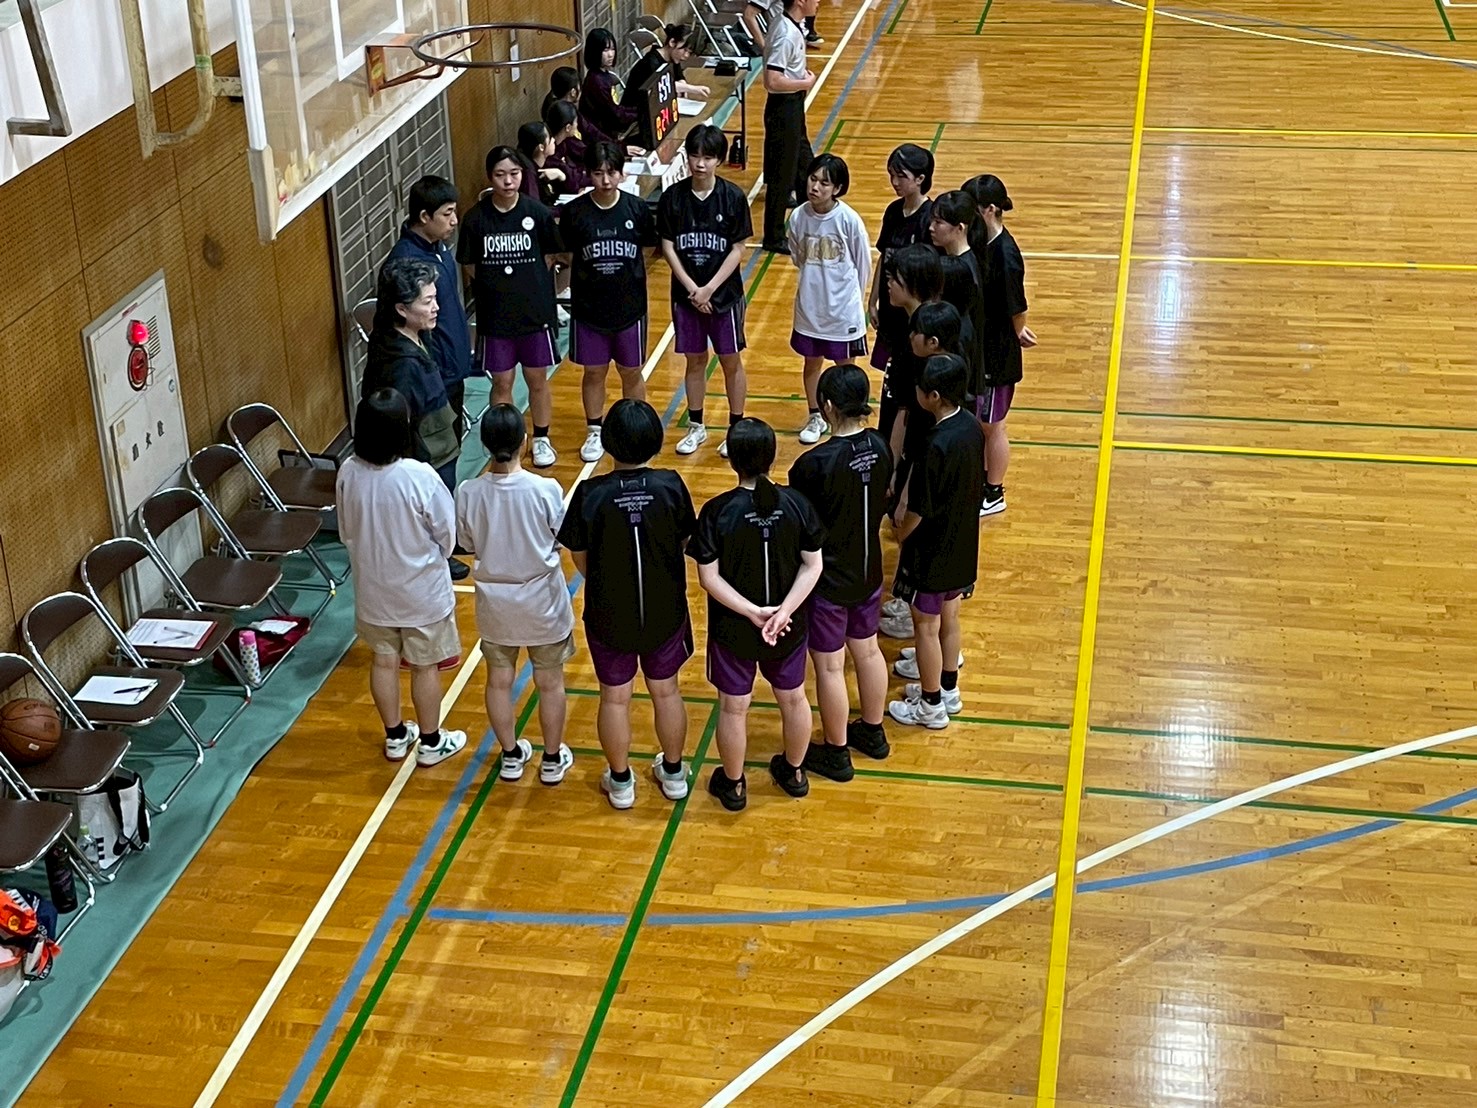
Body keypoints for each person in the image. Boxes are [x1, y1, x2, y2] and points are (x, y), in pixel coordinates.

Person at [557, 400, 697, 809]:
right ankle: (674, 774)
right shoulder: (671, 485)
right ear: (655, 440)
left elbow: (579, 556)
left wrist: (606, 580)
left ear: (608, 442)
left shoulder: (591, 494)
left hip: (608, 613)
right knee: (666, 692)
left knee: (614, 697)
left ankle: (620, 783)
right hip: (665, 611)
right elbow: (685, 542)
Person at [688, 418, 824, 811]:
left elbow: (708, 578)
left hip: (734, 630)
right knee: (794, 699)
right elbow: (813, 565)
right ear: (772, 457)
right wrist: (784, 612)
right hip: (788, 627)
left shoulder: (717, 511)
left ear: (732, 460)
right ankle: (794, 773)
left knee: (734, 707)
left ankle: (733, 786)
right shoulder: (797, 504)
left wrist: (753, 613)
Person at [336, 388, 468, 767]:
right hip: (420, 593)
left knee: (383, 660)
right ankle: (431, 742)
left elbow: (346, 530)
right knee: (425, 666)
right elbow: (448, 535)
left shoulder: (348, 471)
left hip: (373, 590)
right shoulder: (419, 476)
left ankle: (395, 736)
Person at [455, 405, 577, 784]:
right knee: (550, 682)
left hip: (495, 606)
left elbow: (466, 543)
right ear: (525, 442)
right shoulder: (546, 489)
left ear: (485, 445)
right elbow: (561, 537)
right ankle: (552, 759)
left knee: (498, 680)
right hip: (543, 603)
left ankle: (510, 756)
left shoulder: (468, 492)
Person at [787, 364, 893, 779]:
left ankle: (836, 751)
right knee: (867, 650)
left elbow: (800, 527)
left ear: (828, 406)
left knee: (830, 666)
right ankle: (874, 732)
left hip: (828, 582)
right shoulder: (881, 445)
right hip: (869, 571)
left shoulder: (813, 464)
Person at [887, 355, 984, 730]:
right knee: (950, 619)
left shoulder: (934, 444)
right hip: (962, 545)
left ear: (934, 396)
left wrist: (901, 533)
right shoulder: (971, 426)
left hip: (931, 552)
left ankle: (930, 706)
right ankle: (948, 689)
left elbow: (919, 510)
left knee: (925, 627)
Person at [457, 146, 565, 468]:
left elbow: (552, 256)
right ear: (490, 177)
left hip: (534, 316)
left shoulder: (538, 214)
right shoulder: (476, 219)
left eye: (514, 174)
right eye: (500, 175)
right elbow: (470, 265)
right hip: (496, 318)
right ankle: (502, 442)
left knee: (537, 380)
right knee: (502, 383)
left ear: (522, 175)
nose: (508, 181)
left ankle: (541, 438)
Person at [658, 125, 752, 459]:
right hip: (687, 297)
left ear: (719, 160)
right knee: (695, 360)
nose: (700, 163)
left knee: (730, 361)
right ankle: (696, 426)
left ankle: (735, 428)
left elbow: (738, 248)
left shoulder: (733, 197)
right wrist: (693, 290)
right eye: (695, 156)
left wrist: (710, 289)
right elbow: (667, 246)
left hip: (724, 297)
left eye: (708, 157)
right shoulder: (672, 198)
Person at [561, 143, 657, 463]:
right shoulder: (575, 213)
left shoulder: (636, 209)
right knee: (594, 372)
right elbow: (567, 255)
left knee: (631, 371)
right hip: (589, 309)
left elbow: (647, 249)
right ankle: (594, 429)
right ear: (588, 174)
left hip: (630, 308)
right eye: (598, 173)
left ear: (621, 173)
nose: (605, 180)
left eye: (611, 172)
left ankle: (637, 426)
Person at [962, 174, 1036, 517]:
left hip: (997, 356)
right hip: (978, 350)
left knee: (993, 426)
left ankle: (994, 492)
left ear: (990, 209)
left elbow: (1017, 308)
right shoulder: (980, 242)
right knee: (980, 423)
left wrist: (1018, 331)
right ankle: (980, 480)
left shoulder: (1006, 255)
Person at [787, 153, 871, 446]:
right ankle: (816, 415)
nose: (815, 187)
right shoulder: (798, 217)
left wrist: (853, 301)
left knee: (845, 369)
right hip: (810, 309)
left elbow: (863, 264)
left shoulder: (848, 220)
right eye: (813, 179)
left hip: (842, 311)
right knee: (811, 364)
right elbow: (798, 256)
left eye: (824, 183)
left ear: (837, 188)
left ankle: (848, 418)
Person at [869, 144, 935, 393]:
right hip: (890, 307)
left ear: (920, 179)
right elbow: (884, 255)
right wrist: (873, 300)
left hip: (912, 313)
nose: (894, 182)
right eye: (891, 175)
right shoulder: (893, 211)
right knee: (891, 371)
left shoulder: (929, 219)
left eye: (901, 176)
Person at [759, 0, 819, 254]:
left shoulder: (791, 25)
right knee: (782, 174)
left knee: (806, 164)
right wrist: (805, 83)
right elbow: (772, 80)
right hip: (784, 107)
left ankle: (813, 218)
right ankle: (773, 236)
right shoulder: (785, 33)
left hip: (792, 106)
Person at [580, 29, 640, 147]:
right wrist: (639, 113)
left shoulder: (603, 75)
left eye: (612, 49)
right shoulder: (597, 82)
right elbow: (615, 115)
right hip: (601, 140)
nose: (611, 54)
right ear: (595, 51)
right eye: (605, 50)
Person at [623, 23, 711, 103]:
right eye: (684, 50)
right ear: (672, 42)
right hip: (633, 110)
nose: (686, 55)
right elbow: (661, 86)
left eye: (689, 52)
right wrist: (692, 89)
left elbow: (679, 76)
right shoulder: (650, 62)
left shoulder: (673, 58)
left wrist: (683, 85)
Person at [544, 100, 590, 194]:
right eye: (576, 122)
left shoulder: (564, 142)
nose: (577, 125)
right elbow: (572, 179)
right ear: (568, 127)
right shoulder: (549, 151)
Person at [516, 120, 564, 207]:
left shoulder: (534, 163)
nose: (553, 140)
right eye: (550, 138)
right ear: (541, 147)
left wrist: (561, 176)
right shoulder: (528, 172)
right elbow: (535, 209)